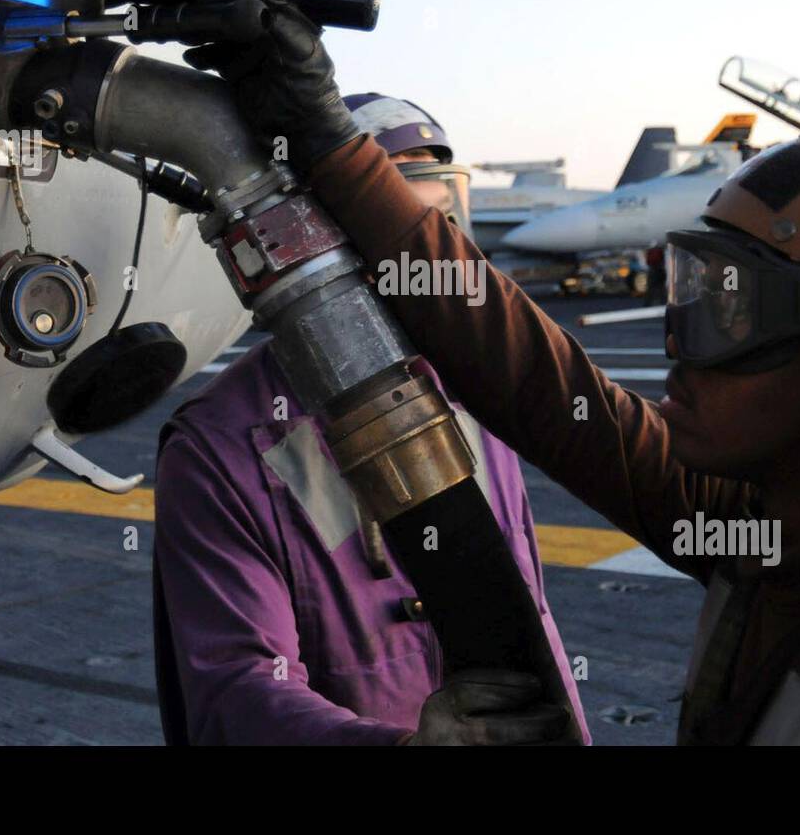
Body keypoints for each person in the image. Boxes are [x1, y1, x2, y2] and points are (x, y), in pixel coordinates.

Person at [173, 0, 800, 745]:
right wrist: (326, 134)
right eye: (688, 297)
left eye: (730, 313)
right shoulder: (786, 520)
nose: (679, 350)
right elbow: (533, 378)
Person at [152, 91, 588, 746]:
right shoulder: (221, 451)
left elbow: (532, 615)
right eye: (403, 229)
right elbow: (235, 694)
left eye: (441, 226)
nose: (434, 261)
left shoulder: (470, 393)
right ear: (314, 242)